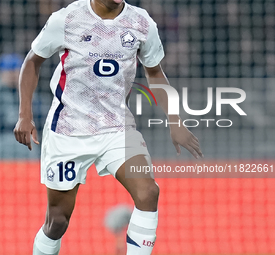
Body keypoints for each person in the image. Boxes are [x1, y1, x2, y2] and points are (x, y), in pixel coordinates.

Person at [13, 0, 203, 254]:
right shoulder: (67, 19)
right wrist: (25, 115)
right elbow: (31, 62)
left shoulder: (142, 23)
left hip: (117, 128)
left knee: (148, 193)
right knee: (57, 221)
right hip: (69, 130)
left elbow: (155, 73)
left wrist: (174, 120)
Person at [0, 53, 44, 159]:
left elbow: (39, 117)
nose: (12, 75)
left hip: (25, 137)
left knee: (32, 148)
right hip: (0, 137)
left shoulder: (30, 92)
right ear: (1, 73)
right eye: (9, 71)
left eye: (15, 71)